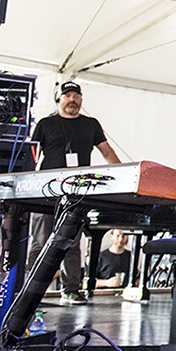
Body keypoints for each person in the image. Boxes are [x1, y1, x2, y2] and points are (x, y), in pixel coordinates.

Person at [27, 80, 121, 304]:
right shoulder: (45, 124)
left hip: (76, 191)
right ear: (59, 99)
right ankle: (30, 289)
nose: (73, 99)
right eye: (68, 95)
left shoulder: (90, 125)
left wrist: (122, 176)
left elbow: (106, 150)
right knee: (40, 241)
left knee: (71, 241)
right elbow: (31, 156)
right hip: (46, 191)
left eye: (77, 96)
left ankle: (71, 289)